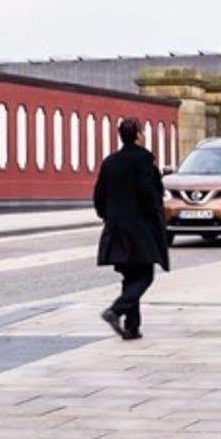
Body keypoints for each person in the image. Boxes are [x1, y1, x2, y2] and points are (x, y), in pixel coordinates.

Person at [94, 116, 169, 340]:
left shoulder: (110, 162)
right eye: (142, 132)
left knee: (129, 275)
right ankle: (116, 311)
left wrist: (107, 216)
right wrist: (156, 213)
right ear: (137, 135)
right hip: (140, 227)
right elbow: (149, 193)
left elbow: (99, 195)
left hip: (116, 226)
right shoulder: (144, 160)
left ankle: (132, 326)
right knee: (145, 275)